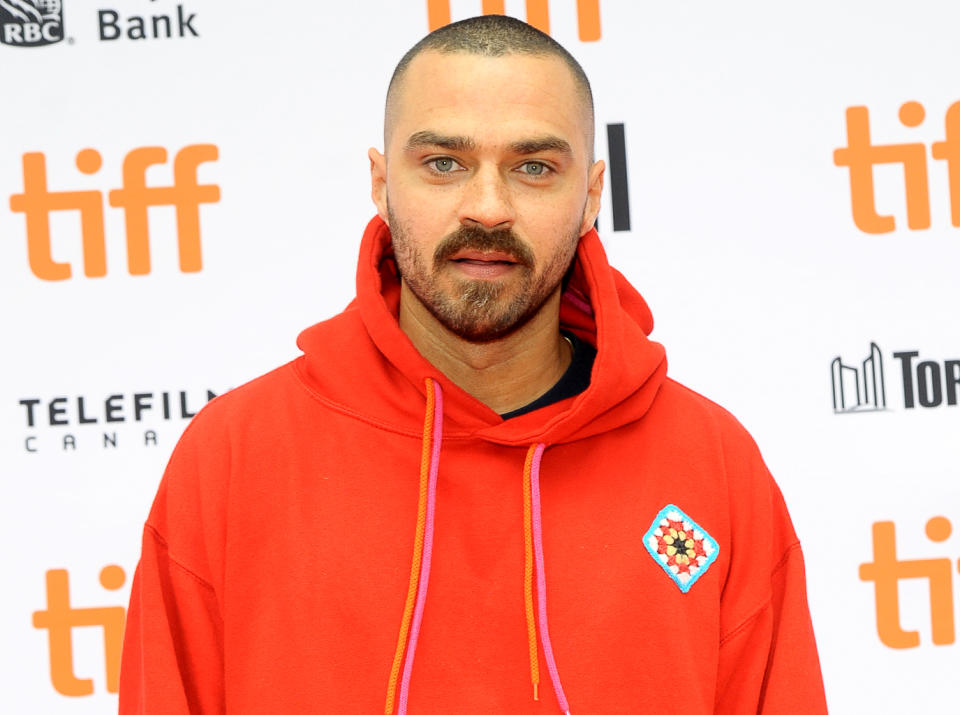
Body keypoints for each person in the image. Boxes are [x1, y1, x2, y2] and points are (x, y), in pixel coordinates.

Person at [119, 15, 827, 715]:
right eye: (443, 163)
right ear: (379, 181)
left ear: (591, 193)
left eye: (533, 167)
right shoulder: (235, 457)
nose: (488, 207)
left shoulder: (710, 463)